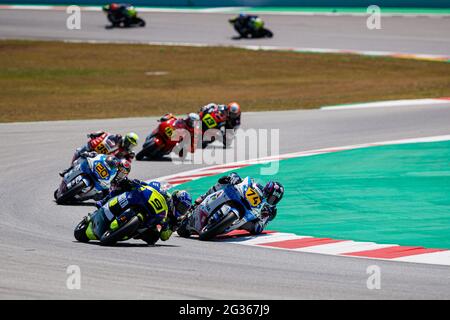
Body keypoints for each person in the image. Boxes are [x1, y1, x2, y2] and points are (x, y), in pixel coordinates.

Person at [101, 180, 192, 245]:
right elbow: (151, 188)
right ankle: (104, 201)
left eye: (184, 209)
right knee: (125, 186)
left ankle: (130, 231)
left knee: (153, 239)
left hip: (149, 225)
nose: (181, 210)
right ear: (175, 201)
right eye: (181, 207)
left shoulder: (175, 221)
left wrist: (166, 227)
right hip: (145, 207)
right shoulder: (166, 196)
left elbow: (165, 237)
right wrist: (140, 183)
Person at [194, 172, 284, 234]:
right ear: (267, 189)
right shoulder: (256, 186)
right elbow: (244, 180)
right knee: (224, 181)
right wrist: (235, 178)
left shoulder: (269, 210)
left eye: (274, 199)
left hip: (246, 214)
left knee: (254, 227)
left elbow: (258, 229)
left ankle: (224, 224)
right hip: (239, 196)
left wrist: (265, 217)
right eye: (271, 197)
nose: (271, 200)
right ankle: (203, 197)